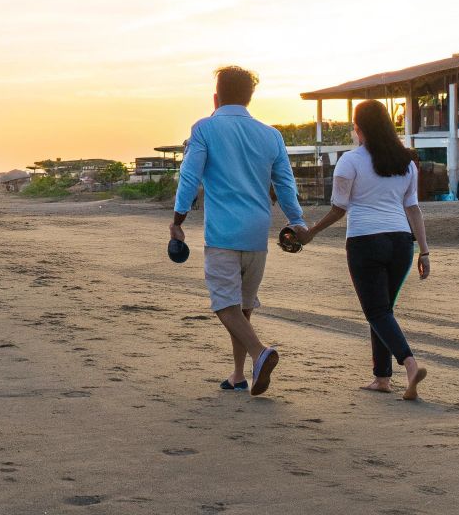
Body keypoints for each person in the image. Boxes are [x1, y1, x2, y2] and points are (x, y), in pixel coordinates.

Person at [171, 66, 307, 395]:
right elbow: (285, 184)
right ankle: (238, 374)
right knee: (243, 305)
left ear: (215, 97)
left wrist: (177, 220)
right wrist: (297, 220)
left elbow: (190, 177)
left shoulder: (204, 129)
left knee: (224, 304)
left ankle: (260, 353)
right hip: (257, 234)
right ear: (249, 97)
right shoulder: (270, 134)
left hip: (223, 232)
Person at [293, 99, 432, 400]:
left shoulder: (350, 161)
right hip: (401, 243)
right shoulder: (405, 162)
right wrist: (424, 251)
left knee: (377, 310)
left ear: (359, 127)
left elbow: (338, 209)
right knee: (383, 310)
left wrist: (311, 233)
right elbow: (414, 209)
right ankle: (382, 378)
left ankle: (409, 365)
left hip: (365, 241)